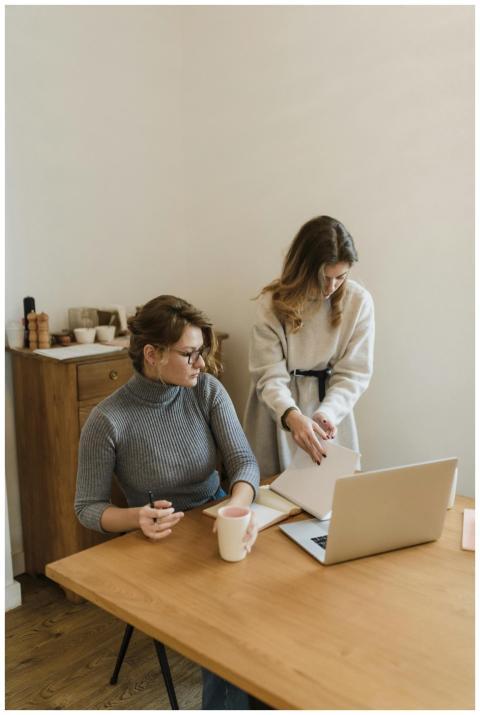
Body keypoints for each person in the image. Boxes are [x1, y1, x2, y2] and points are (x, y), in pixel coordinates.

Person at [75, 294, 261, 710]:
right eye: (190, 354)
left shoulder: (206, 391)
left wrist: (238, 506)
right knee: (227, 629)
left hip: (216, 518)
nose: (201, 363)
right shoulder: (107, 420)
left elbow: (244, 463)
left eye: (201, 353)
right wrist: (135, 518)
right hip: (159, 541)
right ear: (152, 354)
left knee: (276, 603)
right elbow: (87, 507)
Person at [244, 215, 375, 476]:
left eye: (340, 277)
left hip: (329, 410)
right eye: (324, 277)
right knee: (272, 500)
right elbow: (268, 375)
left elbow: (354, 373)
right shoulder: (271, 303)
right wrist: (291, 415)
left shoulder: (358, 302)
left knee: (330, 499)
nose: (331, 287)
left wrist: (327, 413)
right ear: (303, 269)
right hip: (276, 410)